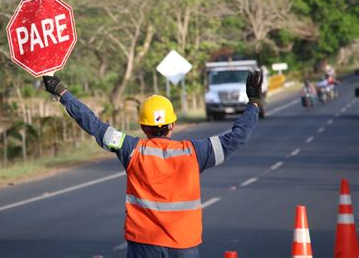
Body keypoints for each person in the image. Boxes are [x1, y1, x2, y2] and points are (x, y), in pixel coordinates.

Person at [42, 70, 263, 258]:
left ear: (143, 127)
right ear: (173, 124)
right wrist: (253, 104)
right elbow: (237, 137)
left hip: (143, 244)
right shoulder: (195, 152)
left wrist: (62, 92)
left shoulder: (131, 150)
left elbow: (94, 125)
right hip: (184, 245)